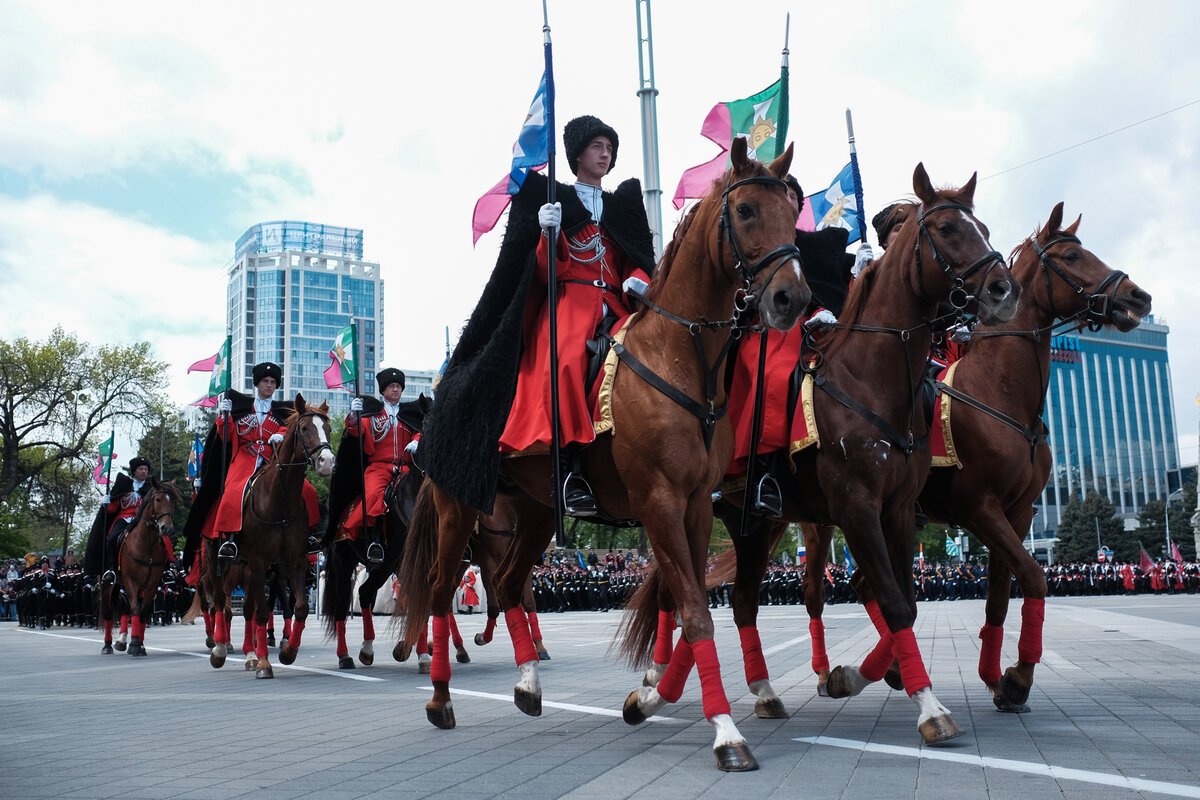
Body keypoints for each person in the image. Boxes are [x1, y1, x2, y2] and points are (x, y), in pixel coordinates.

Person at [499, 115, 655, 517]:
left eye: (609, 148)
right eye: (597, 147)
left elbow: (638, 258)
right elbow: (542, 272)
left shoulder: (622, 205)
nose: (605, 154)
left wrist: (638, 278)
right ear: (578, 155)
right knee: (565, 361)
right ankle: (568, 468)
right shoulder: (558, 201)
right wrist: (547, 234)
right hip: (571, 302)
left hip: (619, 306)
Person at [337, 367, 420, 563]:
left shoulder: (410, 414)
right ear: (383, 390)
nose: (395, 389)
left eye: (398, 386)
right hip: (379, 468)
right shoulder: (373, 415)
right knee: (373, 497)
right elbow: (356, 431)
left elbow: (422, 428)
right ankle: (375, 541)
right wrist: (353, 416)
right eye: (391, 386)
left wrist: (417, 439)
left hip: (406, 469)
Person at [86, 456, 153, 585]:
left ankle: (165, 570)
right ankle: (111, 570)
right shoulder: (124, 484)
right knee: (112, 539)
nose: (144, 471)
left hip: (143, 520)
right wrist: (107, 503)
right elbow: (113, 509)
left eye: (146, 469)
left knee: (162, 539)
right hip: (125, 519)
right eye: (141, 469)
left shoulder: (151, 488)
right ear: (134, 471)